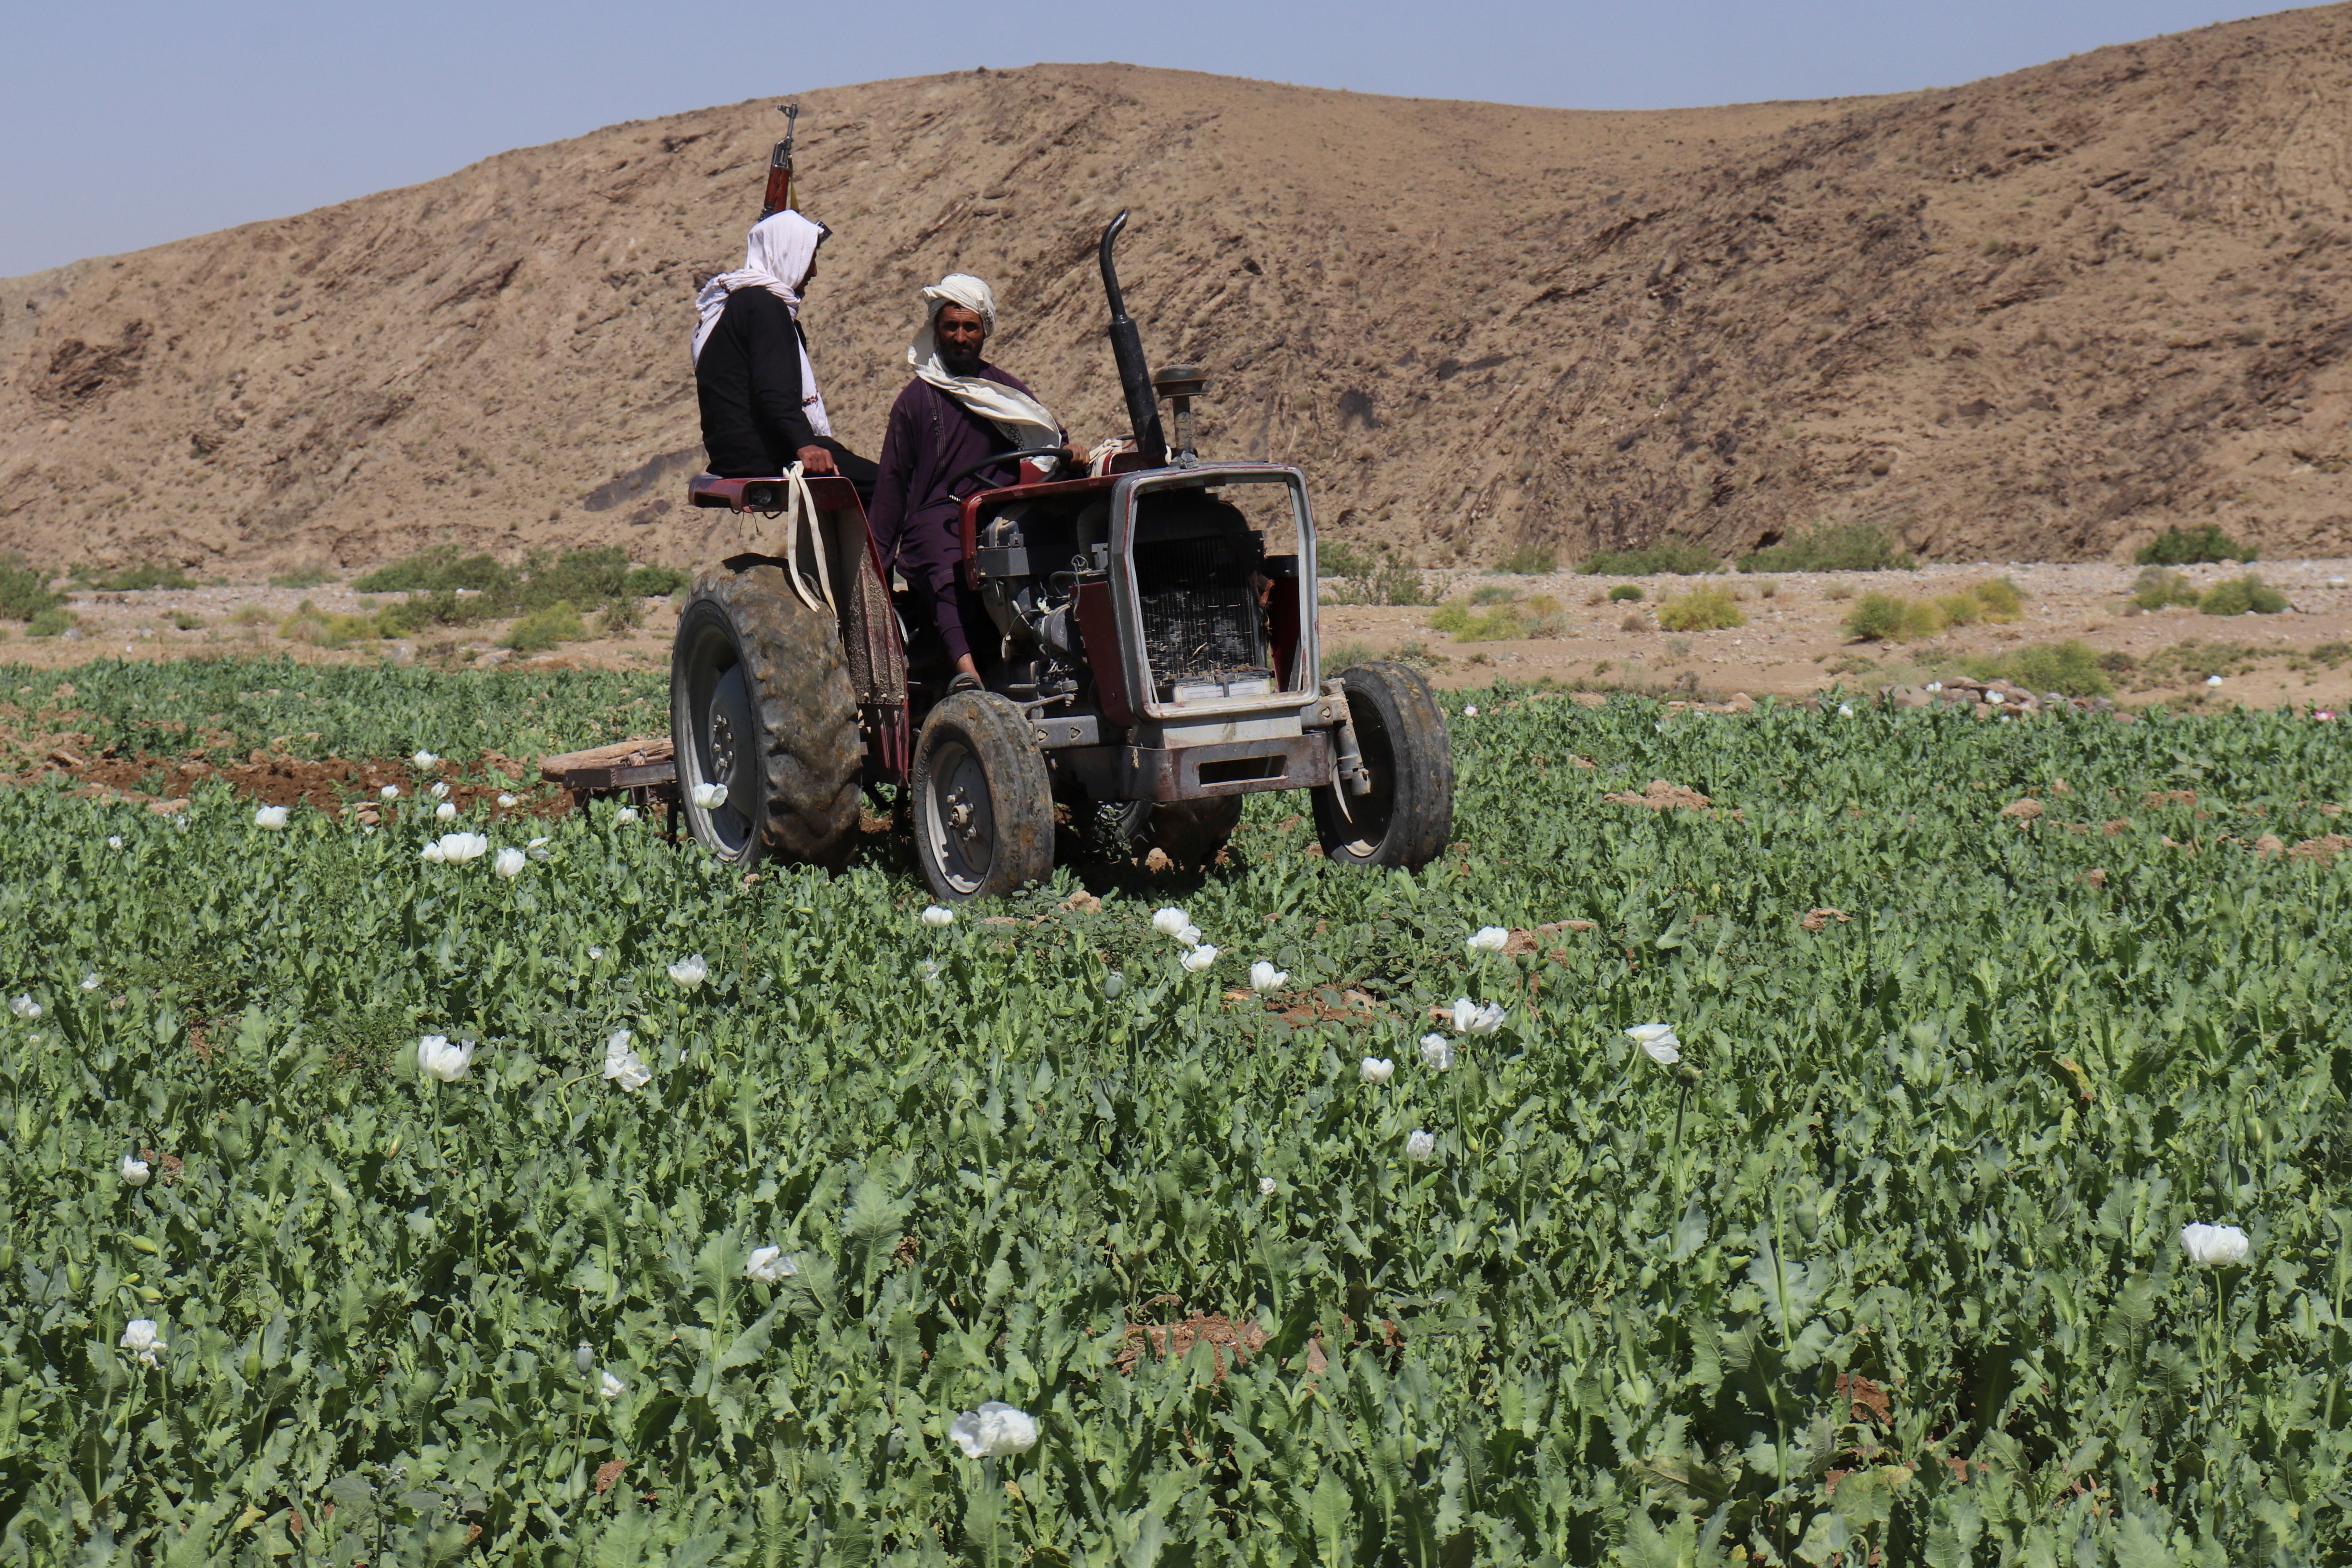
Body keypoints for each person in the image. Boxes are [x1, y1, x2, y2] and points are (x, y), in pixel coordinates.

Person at [868, 274, 1081, 691]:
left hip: (997, 512)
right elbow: (892, 487)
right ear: (937, 329)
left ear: (985, 331)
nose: (961, 337)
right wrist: (876, 570)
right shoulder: (914, 401)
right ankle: (968, 675)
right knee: (944, 558)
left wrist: (1073, 454)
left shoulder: (1003, 391)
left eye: (971, 328)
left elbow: (1050, 437)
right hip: (939, 516)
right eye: (952, 327)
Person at [691, 210, 877, 502]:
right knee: (889, 487)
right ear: (788, 255)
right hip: (763, 454)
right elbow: (773, 389)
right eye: (810, 258)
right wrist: (804, 444)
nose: (814, 272)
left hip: (733, 455)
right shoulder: (764, 306)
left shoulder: (735, 304)